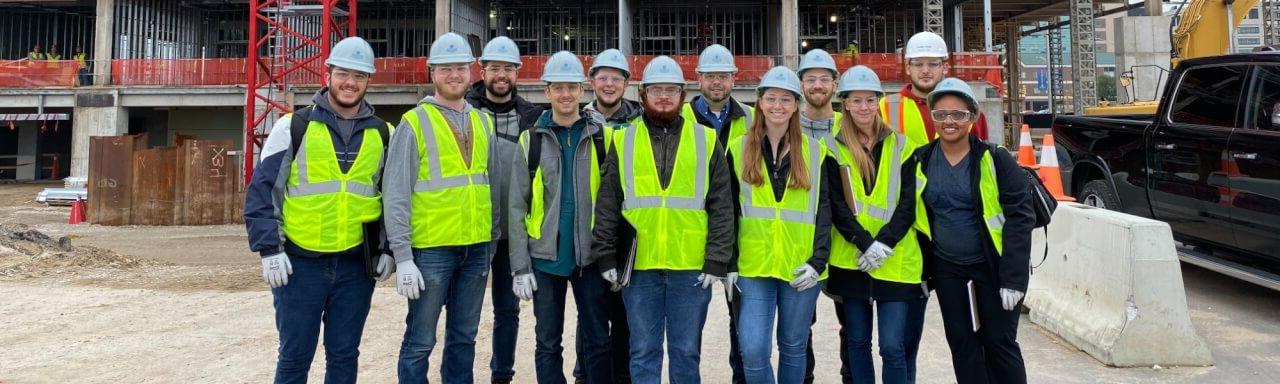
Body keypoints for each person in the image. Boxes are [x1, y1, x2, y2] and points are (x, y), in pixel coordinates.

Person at [243, 36, 394, 384]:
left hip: (356, 267)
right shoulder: (293, 127)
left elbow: (392, 199)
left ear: (369, 81)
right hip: (300, 265)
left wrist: (388, 249)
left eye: (359, 76)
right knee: (295, 357)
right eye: (343, 73)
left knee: (344, 356)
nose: (350, 83)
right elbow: (263, 192)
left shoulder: (384, 134)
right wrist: (269, 250)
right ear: (327, 75)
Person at [591, 55, 735, 384]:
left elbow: (721, 205)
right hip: (640, 267)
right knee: (643, 351)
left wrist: (716, 259)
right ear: (642, 95)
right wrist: (605, 254)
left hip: (690, 267)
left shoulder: (706, 140)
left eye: (671, 89)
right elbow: (609, 201)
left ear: (683, 95)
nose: (664, 96)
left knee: (686, 351)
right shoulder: (624, 140)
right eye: (656, 89)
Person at [386, 32, 498, 384]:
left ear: (471, 72)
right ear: (432, 73)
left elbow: (490, 186)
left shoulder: (483, 122)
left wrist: (490, 241)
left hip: (476, 248)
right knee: (420, 340)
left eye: (461, 67)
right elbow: (396, 193)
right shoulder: (413, 123)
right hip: (431, 250)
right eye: (446, 68)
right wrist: (403, 255)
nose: (454, 74)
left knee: (464, 339)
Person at [912, 78, 1033, 384]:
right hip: (948, 268)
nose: (949, 121)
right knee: (963, 345)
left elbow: (1020, 217)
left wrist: (1013, 279)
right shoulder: (921, 160)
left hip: (992, 267)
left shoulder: (994, 159)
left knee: (1000, 344)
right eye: (941, 115)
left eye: (958, 115)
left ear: (973, 117)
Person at [509, 50, 617, 384]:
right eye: (558, 87)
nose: (566, 94)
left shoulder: (603, 138)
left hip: (591, 259)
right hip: (546, 261)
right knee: (547, 343)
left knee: (598, 340)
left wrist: (613, 255)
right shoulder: (532, 141)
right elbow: (516, 206)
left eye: (572, 87)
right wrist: (520, 267)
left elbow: (616, 202)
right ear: (547, 92)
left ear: (583, 90)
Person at [726, 66, 833, 384]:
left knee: (793, 347)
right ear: (759, 102)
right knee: (754, 349)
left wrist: (818, 261)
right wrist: (728, 262)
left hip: (800, 268)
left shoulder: (815, 152)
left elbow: (824, 212)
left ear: (797, 105)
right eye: (771, 98)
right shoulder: (737, 148)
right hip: (753, 266)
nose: (778, 105)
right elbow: (727, 211)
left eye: (786, 99)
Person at [826, 65, 928, 384]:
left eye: (870, 100)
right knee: (857, 343)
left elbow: (909, 201)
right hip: (852, 260)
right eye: (857, 101)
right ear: (845, 104)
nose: (864, 107)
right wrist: (865, 243)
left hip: (895, 261)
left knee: (892, 347)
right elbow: (836, 206)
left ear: (879, 102)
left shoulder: (902, 145)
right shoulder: (832, 147)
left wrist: (884, 243)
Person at [464, 35, 543, 384]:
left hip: (513, 233)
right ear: (482, 71)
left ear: (517, 73)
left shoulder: (532, 117)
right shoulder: (462, 111)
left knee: (508, 310)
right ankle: (458, 375)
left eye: (508, 68)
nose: (501, 74)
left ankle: (502, 375)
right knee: (464, 314)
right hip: (473, 231)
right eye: (494, 68)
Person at [578, 47, 639, 384]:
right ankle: (584, 374)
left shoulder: (640, 119)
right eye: (603, 77)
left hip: (627, 226)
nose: (610, 84)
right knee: (590, 314)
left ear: (626, 83)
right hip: (589, 225)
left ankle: (624, 376)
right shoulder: (577, 118)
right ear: (592, 81)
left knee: (626, 313)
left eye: (616, 78)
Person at [884, 32, 988, 147]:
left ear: (945, 67)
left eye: (933, 64)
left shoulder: (969, 110)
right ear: (908, 68)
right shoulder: (886, 107)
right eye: (918, 64)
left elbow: (983, 159)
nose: (925, 70)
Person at [683, 44, 755, 146]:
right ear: (699, 79)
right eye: (710, 76)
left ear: (733, 80)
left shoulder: (753, 117)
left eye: (723, 76)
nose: (716, 82)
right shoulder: (680, 116)